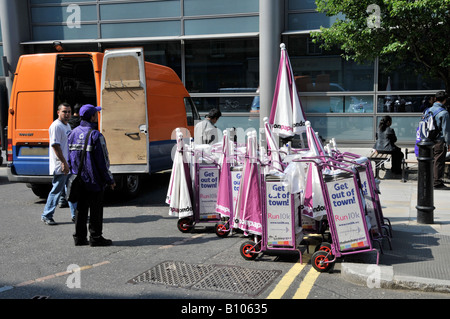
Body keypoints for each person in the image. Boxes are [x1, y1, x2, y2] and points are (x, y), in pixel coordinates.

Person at [68, 104, 116, 246]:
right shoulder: (95, 135)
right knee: (95, 210)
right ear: (92, 117)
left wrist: (73, 173)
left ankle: (79, 237)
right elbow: (103, 162)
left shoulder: (72, 133)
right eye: (96, 113)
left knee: (80, 209)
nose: (97, 115)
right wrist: (109, 179)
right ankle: (95, 237)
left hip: (78, 179)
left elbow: (69, 157)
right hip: (94, 180)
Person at [41, 103, 76, 225]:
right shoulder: (56, 126)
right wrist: (63, 163)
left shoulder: (67, 126)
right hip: (61, 165)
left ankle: (75, 214)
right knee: (56, 190)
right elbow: (56, 146)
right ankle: (46, 215)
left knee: (71, 190)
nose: (67, 114)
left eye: (69, 112)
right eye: (64, 112)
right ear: (58, 112)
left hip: (67, 164)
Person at [428, 91, 449, 189]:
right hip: (439, 141)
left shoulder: (428, 110)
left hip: (428, 140)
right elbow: (446, 131)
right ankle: (437, 183)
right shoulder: (444, 113)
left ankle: (429, 180)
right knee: (438, 162)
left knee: (430, 160)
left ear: (435, 99)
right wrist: (448, 143)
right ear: (445, 100)